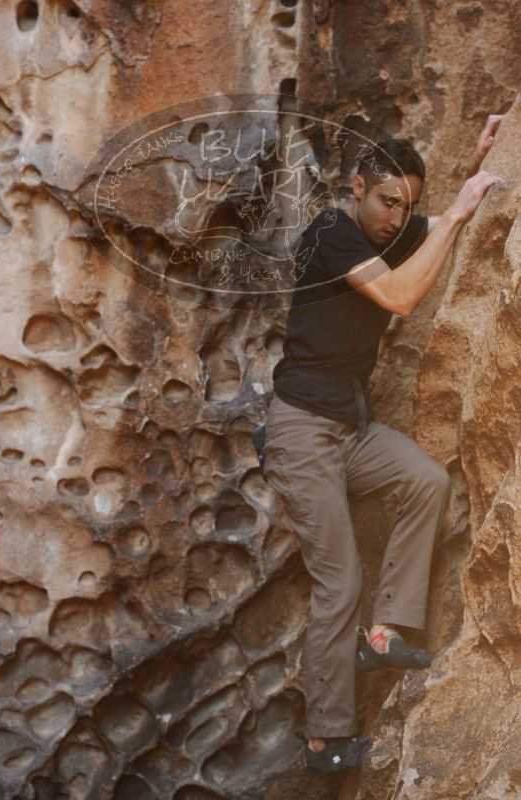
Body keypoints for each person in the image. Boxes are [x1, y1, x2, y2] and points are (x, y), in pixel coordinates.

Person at [261, 119, 504, 774]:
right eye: (385, 201)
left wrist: (479, 159)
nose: (396, 218)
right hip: (302, 432)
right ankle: (325, 740)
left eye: (406, 205)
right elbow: (400, 296)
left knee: (425, 480)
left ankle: (385, 633)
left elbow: (429, 239)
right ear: (357, 188)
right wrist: (453, 210)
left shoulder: (385, 238)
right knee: (339, 579)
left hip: (351, 429)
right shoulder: (333, 235)